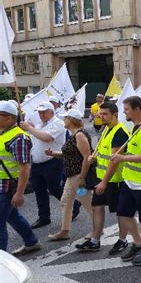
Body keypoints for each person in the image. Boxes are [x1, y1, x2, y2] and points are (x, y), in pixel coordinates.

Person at [111, 96, 141, 266]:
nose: (124, 112)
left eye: (126, 109)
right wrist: (123, 157)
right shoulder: (135, 129)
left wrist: (123, 159)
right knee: (123, 213)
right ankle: (139, 243)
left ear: (137, 110)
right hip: (130, 181)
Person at [76, 102, 130, 254]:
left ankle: (122, 240)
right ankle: (95, 240)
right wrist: (95, 158)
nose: (101, 116)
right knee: (97, 208)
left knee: (121, 212)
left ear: (115, 115)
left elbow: (113, 161)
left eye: (105, 114)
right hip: (101, 178)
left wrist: (104, 182)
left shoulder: (120, 132)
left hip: (114, 180)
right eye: (100, 113)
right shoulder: (106, 129)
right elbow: (103, 151)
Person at [19, 101, 80, 229]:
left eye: (44, 112)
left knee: (54, 188)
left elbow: (47, 138)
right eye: (39, 112)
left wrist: (30, 128)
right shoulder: (40, 124)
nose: (41, 114)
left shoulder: (57, 123)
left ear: (51, 111)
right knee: (39, 190)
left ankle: (74, 205)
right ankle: (44, 217)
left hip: (52, 161)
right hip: (37, 162)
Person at [0, 101, 42, 255]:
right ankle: (31, 241)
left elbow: (24, 167)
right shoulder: (3, 133)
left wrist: (19, 193)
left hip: (7, 186)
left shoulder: (19, 138)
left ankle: (2, 262)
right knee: (12, 216)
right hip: (2, 183)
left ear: (10, 118)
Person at [45, 109, 94, 241]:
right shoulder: (74, 134)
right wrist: (53, 154)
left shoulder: (79, 136)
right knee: (65, 201)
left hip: (78, 176)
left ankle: (97, 230)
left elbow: (86, 157)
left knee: (87, 202)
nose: (63, 120)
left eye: (65, 118)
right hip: (71, 176)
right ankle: (64, 230)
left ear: (72, 120)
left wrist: (82, 178)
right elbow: (70, 153)